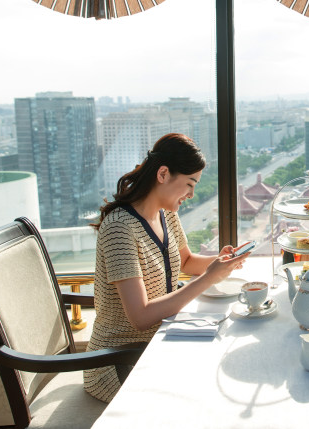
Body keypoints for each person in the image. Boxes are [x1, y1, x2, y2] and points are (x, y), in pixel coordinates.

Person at [83, 133, 250, 402]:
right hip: (119, 362)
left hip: (158, 344)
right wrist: (209, 278)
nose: (192, 195)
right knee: (204, 396)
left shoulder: (166, 213)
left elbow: (185, 262)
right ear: (163, 174)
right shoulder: (119, 228)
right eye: (189, 184)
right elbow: (141, 317)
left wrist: (220, 264)